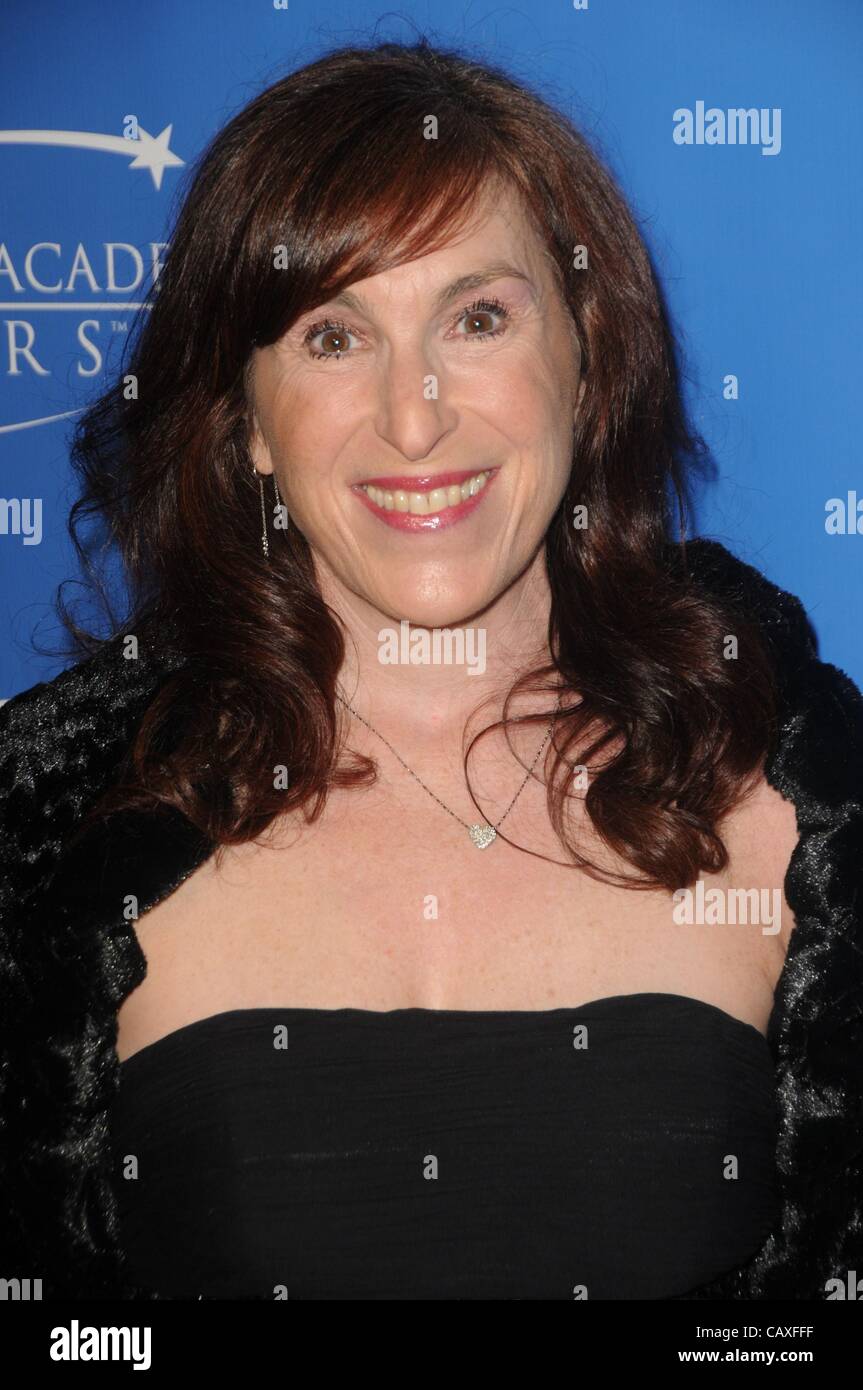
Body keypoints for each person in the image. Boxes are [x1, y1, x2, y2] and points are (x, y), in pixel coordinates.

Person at [1, 37, 861, 1302]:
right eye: (332, 336)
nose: (415, 416)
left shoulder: (803, 796)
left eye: (476, 317)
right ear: (243, 422)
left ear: (589, 359)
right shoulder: (49, 832)